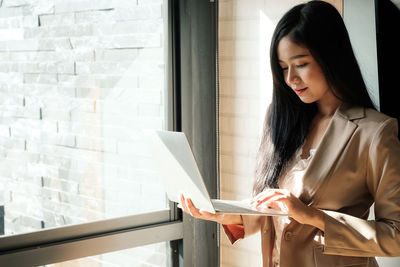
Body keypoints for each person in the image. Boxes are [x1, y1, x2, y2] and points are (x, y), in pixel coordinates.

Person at [179, 1, 400, 266]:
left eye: (301, 64)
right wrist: (224, 215)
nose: (290, 79)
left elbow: (395, 236)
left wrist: (314, 217)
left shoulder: (375, 132)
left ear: (331, 57)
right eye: (284, 68)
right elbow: (272, 210)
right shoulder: (279, 119)